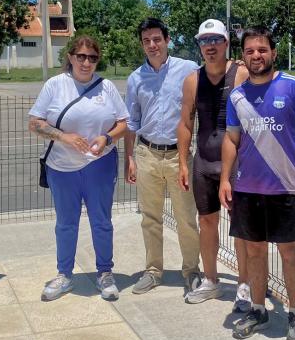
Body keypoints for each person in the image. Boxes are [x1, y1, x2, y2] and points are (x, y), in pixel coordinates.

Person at [219, 26, 295, 340]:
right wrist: (224, 178)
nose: (256, 56)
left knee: (289, 253)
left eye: (262, 50)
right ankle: (259, 309)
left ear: (273, 53)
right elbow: (232, 139)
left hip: (285, 188)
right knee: (254, 252)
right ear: (243, 57)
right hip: (248, 188)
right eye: (249, 51)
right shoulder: (236, 96)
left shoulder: (294, 87)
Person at [28, 36, 129, 302]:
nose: (86, 62)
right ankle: (64, 275)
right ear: (70, 57)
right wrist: (64, 137)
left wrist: (107, 138)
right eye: (81, 57)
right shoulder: (55, 85)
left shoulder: (106, 87)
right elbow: (35, 123)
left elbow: (123, 123)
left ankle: (105, 272)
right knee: (66, 223)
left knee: (101, 222)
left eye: (92, 58)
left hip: (100, 163)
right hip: (62, 167)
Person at [124, 18, 202, 294]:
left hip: (178, 157)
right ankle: (153, 270)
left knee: (185, 218)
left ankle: (191, 270)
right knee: (150, 217)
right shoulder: (136, 78)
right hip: (146, 154)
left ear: (167, 40)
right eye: (146, 41)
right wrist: (130, 159)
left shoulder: (189, 70)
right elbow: (131, 121)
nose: (152, 45)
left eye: (157, 39)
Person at [177, 19, 249, 306]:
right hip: (204, 163)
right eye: (204, 41)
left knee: (241, 226)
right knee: (206, 222)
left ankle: (245, 283)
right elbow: (184, 124)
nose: (209, 46)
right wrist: (183, 162)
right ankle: (211, 279)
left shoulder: (241, 73)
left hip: (237, 165)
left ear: (226, 42)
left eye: (215, 40)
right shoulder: (192, 80)